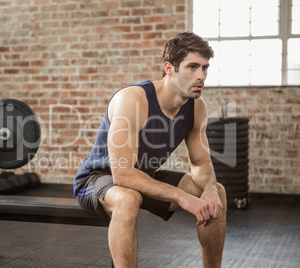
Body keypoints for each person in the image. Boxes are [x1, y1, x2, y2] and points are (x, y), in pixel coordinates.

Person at [73, 32, 226, 268]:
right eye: (192, 67)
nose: (201, 76)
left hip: (143, 177)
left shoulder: (196, 107)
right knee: (127, 198)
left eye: (205, 68)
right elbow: (122, 175)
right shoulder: (133, 99)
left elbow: (201, 163)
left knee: (218, 193)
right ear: (169, 68)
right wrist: (183, 198)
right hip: (96, 180)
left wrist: (208, 189)